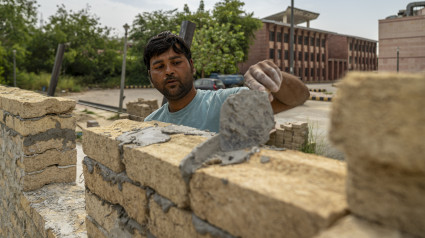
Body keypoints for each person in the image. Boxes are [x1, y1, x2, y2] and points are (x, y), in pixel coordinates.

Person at [144, 31, 309, 133]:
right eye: (159, 66)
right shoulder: (150, 124)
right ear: (150, 76)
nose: (169, 71)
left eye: (176, 62)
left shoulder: (225, 102)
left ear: (192, 66)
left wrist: (274, 75)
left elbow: (300, 96)